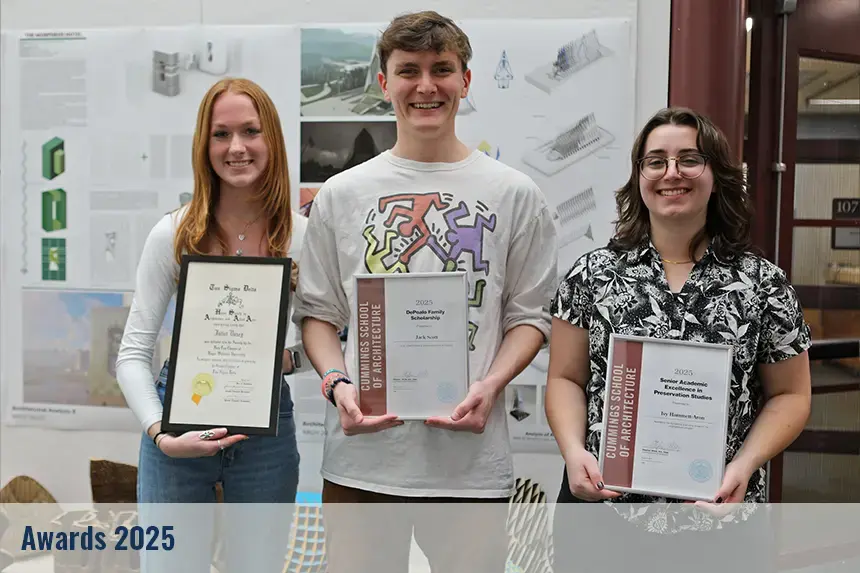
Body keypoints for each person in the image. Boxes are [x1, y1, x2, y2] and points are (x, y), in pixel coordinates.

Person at [291, 10, 558, 573]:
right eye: (408, 71)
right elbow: (316, 313)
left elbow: (531, 316)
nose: (426, 86)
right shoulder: (342, 194)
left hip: (470, 466)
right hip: (363, 460)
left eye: (442, 69)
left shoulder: (515, 194)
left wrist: (491, 384)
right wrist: (338, 382)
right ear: (384, 83)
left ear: (465, 80)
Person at [545, 106, 812, 572]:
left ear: (716, 174)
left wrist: (744, 466)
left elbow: (790, 394)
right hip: (603, 513)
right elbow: (566, 379)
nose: (672, 173)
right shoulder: (592, 275)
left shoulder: (763, 284)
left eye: (690, 159)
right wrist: (573, 451)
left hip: (720, 520)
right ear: (639, 176)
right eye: (656, 161)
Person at [115, 77, 308, 572]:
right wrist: (161, 433)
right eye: (221, 134)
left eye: (250, 131)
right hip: (178, 423)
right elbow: (133, 353)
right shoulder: (174, 233)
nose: (237, 147)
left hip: (267, 426)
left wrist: (286, 359)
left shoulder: (303, 236)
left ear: (273, 141)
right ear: (204, 145)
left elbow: (336, 340)